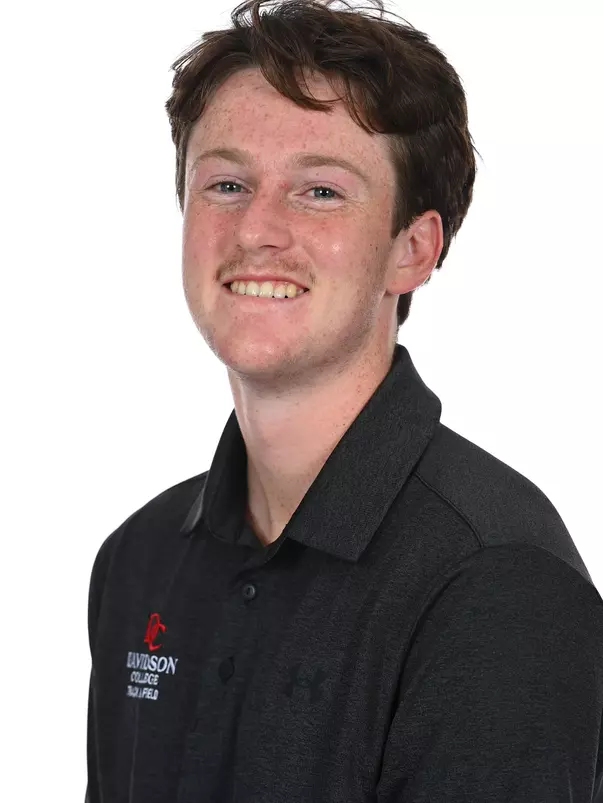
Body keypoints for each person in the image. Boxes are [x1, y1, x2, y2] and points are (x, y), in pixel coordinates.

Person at [85, 0, 603, 800]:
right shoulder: (138, 560)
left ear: (412, 248)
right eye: (225, 182)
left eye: (320, 192)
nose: (257, 228)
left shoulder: (493, 583)